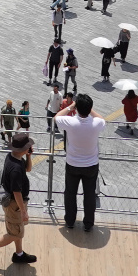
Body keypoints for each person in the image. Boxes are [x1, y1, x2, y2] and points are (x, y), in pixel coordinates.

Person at [0, 132, 36, 268]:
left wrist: (28, 156)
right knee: (14, 233)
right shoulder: (16, 169)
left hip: (16, 204)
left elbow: (28, 169)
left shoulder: (13, 157)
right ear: (23, 149)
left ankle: (19, 254)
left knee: (18, 229)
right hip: (15, 205)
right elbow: (16, 192)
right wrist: (23, 211)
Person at [54, 93, 106, 232]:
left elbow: (56, 117)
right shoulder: (96, 123)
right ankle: (88, 223)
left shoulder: (71, 122)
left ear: (77, 108)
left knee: (70, 193)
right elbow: (102, 119)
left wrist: (71, 106)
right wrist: (89, 109)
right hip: (91, 165)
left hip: (73, 163)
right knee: (89, 195)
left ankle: (70, 221)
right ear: (89, 108)